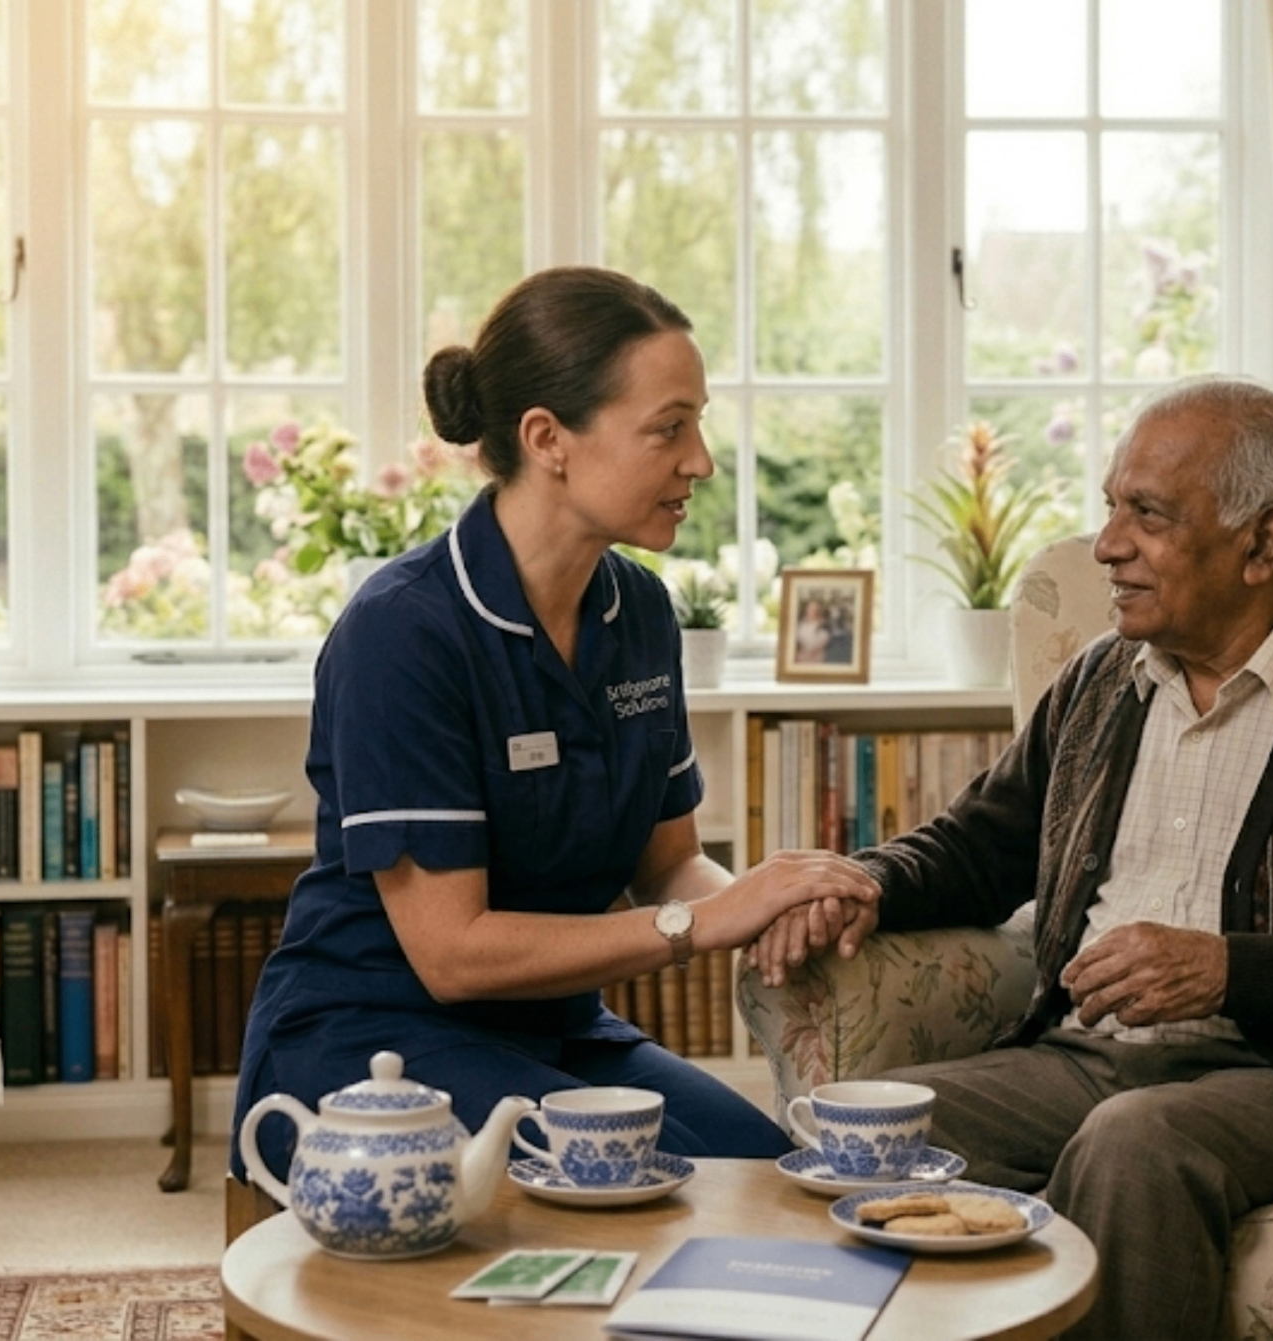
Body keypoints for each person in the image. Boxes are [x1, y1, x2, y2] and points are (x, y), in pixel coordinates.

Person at [746, 376, 1273, 1340]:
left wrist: (1231, 970)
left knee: (1135, 1142)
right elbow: (983, 846)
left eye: (1148, 515)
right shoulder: (1097, 682)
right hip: (1084, 1056)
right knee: (866, 1128)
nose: (1107, 544)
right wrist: (862, 881)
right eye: (1111, 507)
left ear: (1263, 543)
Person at [232, 266, 877, 1185]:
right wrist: (703, 921)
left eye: (698, 423)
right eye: (669, 427)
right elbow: (452, 955)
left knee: (774, 1185)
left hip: (560, 1032)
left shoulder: (642, 613)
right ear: (547, 439)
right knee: (657, 1192)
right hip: (373, 1042)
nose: (700, 460)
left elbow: (670, 865)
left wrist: (771, 904)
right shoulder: (402, 631)